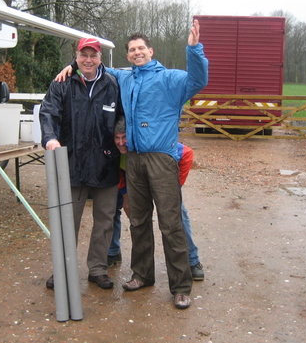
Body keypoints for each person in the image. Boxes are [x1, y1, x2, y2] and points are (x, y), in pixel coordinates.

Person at [56, 20, 208, 309]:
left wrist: (194, 49)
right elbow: (93, 65)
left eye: (141, 48)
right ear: (127, 56)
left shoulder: (170, 79)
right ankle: (142, 275)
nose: (137, 53)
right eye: (132, 50)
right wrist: (71, 66)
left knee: (170, 223)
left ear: (150, 51)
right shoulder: (124, 78)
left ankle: (180, 286)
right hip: (135, 159)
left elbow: (198, 80)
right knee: (138, 221)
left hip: (162, 158)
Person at [39, 37, 121, 290]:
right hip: (71, 164)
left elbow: (122, 115)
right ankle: (62, 269)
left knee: (105, 221)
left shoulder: (112, 84)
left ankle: (97, 269)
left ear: (100, 58)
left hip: (105, 163)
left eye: (93, 55)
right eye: (83, 55)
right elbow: (48, 112)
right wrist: (50, 138)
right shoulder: (62, 83)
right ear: (76, 56)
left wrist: (122, 136)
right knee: (67, 220)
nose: (88, 60)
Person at [108, 118, 204, 282]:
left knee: (177, 215)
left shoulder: (148, 143)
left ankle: (192, 260)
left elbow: (187, 154)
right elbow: (117, 170)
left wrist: (175, 187)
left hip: (160, 179)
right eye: (117, 138)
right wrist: (125, 195)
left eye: (125, 138)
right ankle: (112, 252)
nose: (121, 142)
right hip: (132, 181)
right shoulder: (115, 150)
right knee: (111, 209)